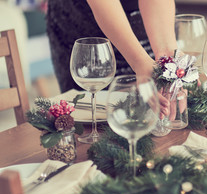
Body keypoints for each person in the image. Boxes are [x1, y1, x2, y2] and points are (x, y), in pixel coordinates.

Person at [46, 0, 177, 117]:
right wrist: (139, 61)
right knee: (89, 115)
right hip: (84, 24)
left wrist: (167, 55)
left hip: (150, 22)